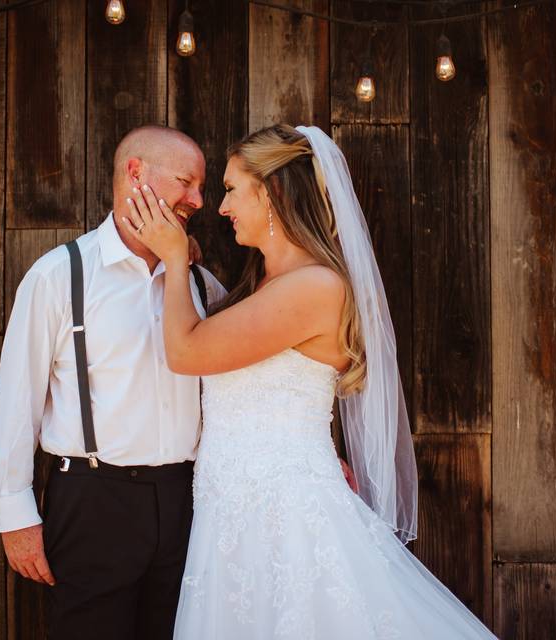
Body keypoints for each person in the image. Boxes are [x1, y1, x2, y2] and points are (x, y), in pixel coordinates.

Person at [124, 124, 499, 638]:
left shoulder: (314, 287)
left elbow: (187, 351)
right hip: (235, 511)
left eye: (232, 189)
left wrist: (169, 256)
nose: (221, 207)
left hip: (284, 515)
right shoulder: (262, 285)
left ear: (274, 192)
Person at [0, 125, 227, 640]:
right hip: (94, 501)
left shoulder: (203, 286)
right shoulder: (59, 276)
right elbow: (13, 405)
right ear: (136, 173)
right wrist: (15, 516)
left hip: (189, 503)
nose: (198, 201)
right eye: (187, 181)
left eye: (201, 188)